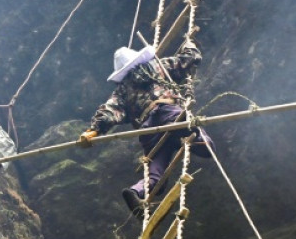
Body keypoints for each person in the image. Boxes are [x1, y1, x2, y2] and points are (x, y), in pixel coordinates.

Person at [78, 40, 214, 218]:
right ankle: (186, 133)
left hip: (149, 129)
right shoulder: (158, 66)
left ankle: (136, 192)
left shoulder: (122, 91)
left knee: (157, 177)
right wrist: (190, 45)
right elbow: (189, 59)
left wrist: (93, 130)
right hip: (168, 112)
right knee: (206, 145)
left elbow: (110, 111)